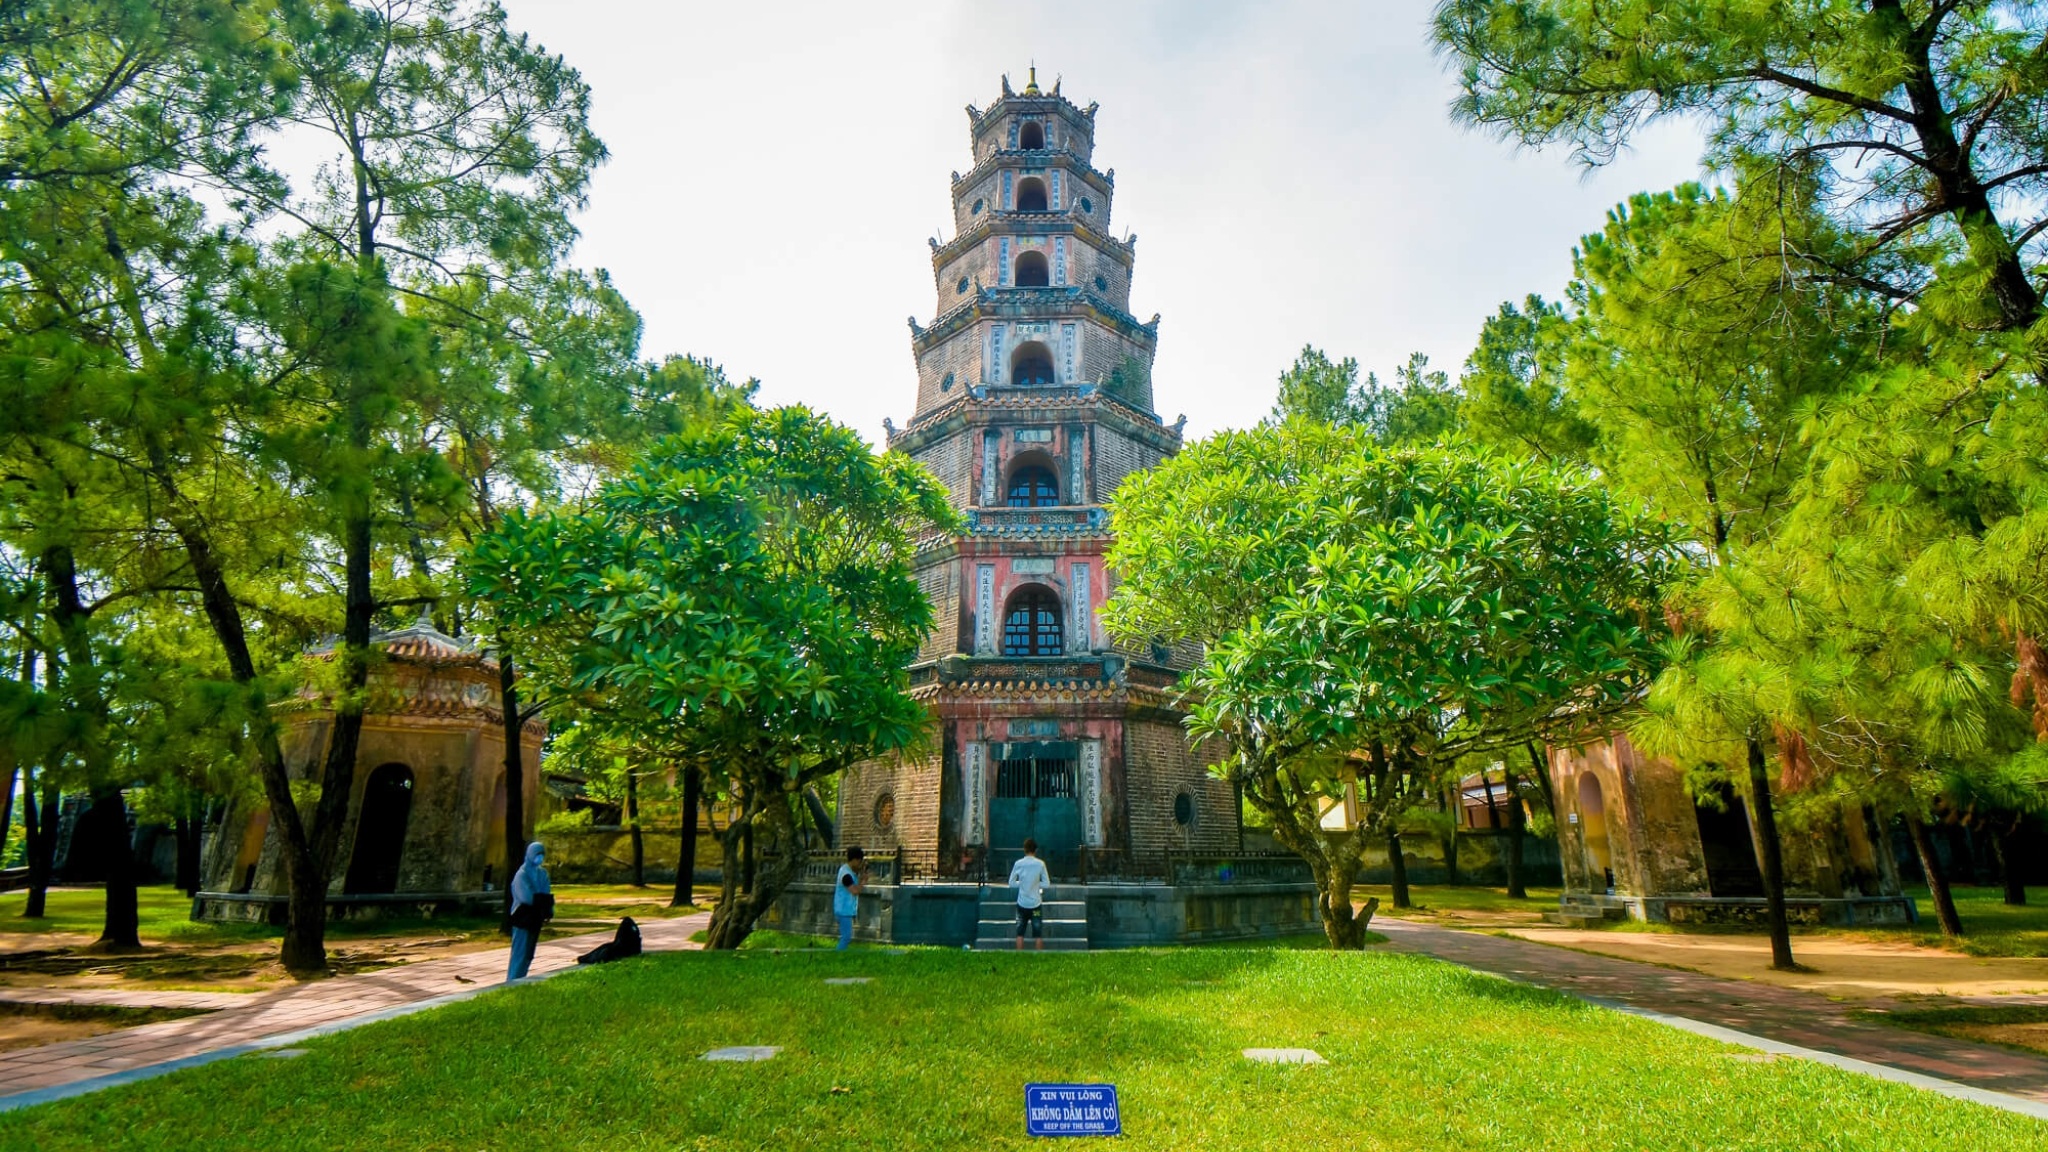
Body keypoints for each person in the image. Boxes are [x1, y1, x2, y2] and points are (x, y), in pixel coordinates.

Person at [507, 840, 553, 980]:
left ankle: (522, 977)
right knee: (520, 951)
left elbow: (546, 893)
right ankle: (513, 979)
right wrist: (542, 901)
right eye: (537, 854)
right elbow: (527, 898)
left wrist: (546, 906)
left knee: (528, 953)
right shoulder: (522, 874)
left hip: (536, 917)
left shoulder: (542, 873)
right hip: (523, 917)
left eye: (541, 854)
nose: (539, 858)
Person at [1008, 838, 1050, 951]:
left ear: (1024, 849)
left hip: (1022, 904)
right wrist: (1036, 883)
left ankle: (1019, 954)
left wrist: (1022, 883)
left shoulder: (1018, 864)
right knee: (1038, 932)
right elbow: (1046, 884)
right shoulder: (1040, 864)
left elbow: (1011, 883)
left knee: (1020, 932)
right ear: (1035, 850)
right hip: (1035, 904)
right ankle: (1039, 955)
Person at [834, 846, 866, 951]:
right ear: (855, 860)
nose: (860, 864)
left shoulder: (849, 871)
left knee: (846, 936)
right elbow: (855, 891)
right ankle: (837, 955)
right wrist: (864, 881)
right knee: (846, 937)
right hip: (843, 910)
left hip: (846, 909)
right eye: (859, 861)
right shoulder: (846, 874)